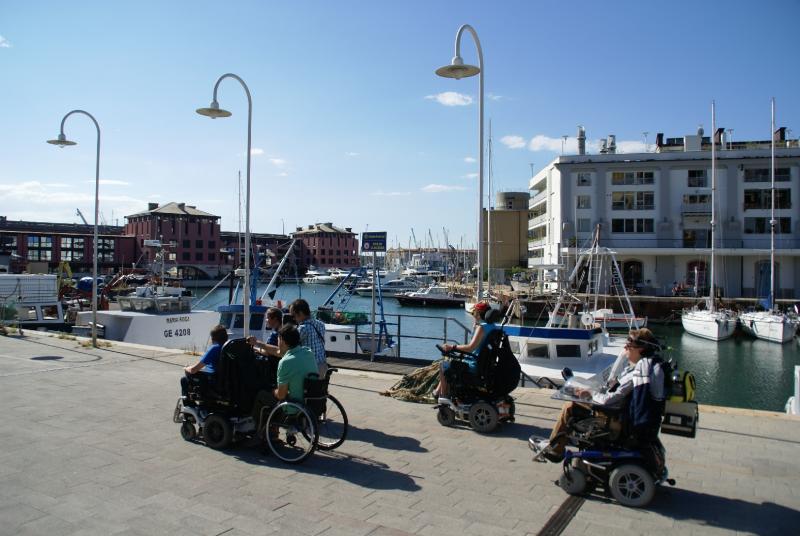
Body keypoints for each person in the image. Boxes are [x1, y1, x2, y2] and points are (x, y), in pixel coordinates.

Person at [534, 328, 663, 462]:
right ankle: (559, 443)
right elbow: (612, 387)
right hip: (618, 410)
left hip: (614, 416)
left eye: (628, 345)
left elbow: (609, 400)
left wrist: (590, 394)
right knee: (577, 399)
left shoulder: (634, 374)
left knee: (570, 406)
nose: (625, 347)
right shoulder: (638, 368)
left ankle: (556, 450)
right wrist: (589, 391)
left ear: (640, 349)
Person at [433, 301, 499, 398]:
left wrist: (452, 347)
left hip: (474, 364)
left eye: (474, 312)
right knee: (450, 362)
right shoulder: (493, 327)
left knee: (443, 365)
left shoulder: (482, 328)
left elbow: (470, 348)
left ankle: (443, 397)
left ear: (479, 314)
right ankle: (437, 392)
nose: (473, 314)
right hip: (485, 364)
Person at [180, 325, 228, 400]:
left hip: (213, 380)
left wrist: (186, 368)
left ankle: (189, 406)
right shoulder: (228, 347)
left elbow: (193, 370)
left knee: (184, 379)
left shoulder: (215, 348)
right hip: (226, 381)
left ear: (213, 338)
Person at [273, 324, 319, 404]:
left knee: (262, 394)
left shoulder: (285, 362)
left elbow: (281, 395)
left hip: (295, 406)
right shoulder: (308, 352)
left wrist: (273, 391)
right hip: (312, 403)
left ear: (282, 341)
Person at [289, 299, 327, 377]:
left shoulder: (303, 328)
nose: (293, 319)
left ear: (300, 313)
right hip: (322, 366)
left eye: (293, 316)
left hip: (310, 369)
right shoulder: (320, 324)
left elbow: (289, 345)